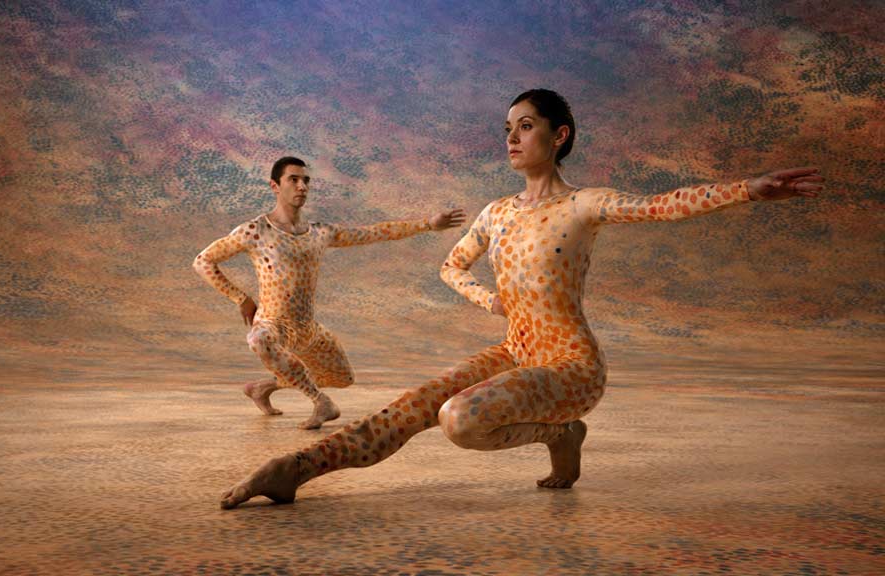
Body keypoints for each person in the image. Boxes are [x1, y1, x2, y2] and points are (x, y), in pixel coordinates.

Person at [218, 91, 824, 509]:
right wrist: (489, 301)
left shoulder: (583, 205)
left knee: (460, 419)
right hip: (515, 349)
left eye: (525, 126)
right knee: (411, 407)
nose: (511, 137)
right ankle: (295, 471)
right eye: (507, 128)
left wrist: (746, 189)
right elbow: (451, 267)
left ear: (559, 136)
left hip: (569, 365)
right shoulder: (497, 212)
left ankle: (560, 434)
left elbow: (662, 204)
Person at [194, 156, 467, 429]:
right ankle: (320, 402)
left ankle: (263, 388)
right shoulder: (254, 231)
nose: (302, 186)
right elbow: (203, 261)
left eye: (306, 180)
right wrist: (240, 298)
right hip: (272, 324)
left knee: (343, 378)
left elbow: (374, 233)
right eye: (294, 180)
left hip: (308, 330)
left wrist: (428, 224)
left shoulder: (319, 233)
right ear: (275, 186)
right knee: (258, 339)